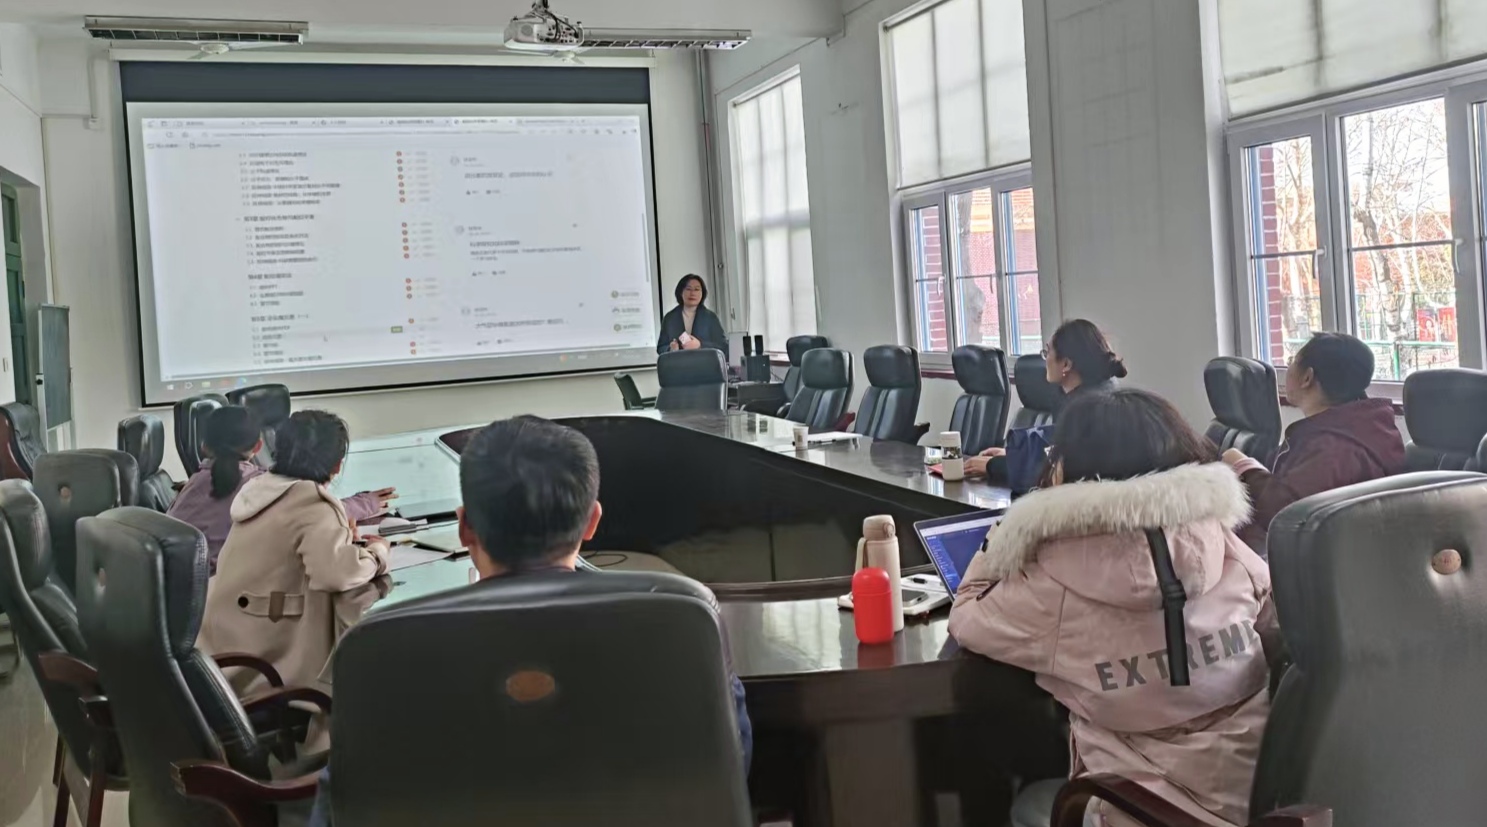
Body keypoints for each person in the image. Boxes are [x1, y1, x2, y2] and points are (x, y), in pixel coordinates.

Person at [306, 416, 753, 827]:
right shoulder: (683, 620)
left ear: (465, 527)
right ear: (592, 522)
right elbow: (732, 761)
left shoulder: (381, 645)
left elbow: (340, 809)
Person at [949, 390, 1275, 827]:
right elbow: (1271, 621)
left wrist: (1014, 530)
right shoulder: (1224, 544)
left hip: (1136, 811)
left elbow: (967, 613)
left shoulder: (1054, 585)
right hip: (1254, 799)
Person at [200, 410, 391, 699]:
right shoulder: (311, 502)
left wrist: (341, 540)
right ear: (337, 465)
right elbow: (336, 574)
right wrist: (377, 553)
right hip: (261, 670)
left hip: (221, 649)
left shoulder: (258, 488)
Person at [1225, 332, 1405, 554]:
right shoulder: (1359, 427)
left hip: (1327, 562)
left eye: (1292, 361)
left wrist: (1243, 466)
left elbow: (1285, 514)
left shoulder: (1334, 448)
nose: (1288, 368)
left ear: (1307, 378)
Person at [169, 407, 395, 574]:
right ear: (259, 446)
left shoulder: (191, 484)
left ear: (204, 446)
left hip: (183, 590)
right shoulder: (259, 486)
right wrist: (368, 506)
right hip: (215, 591)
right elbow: (315, 512)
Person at [965, 319, 1127, 476]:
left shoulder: (1085, 409)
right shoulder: (1093, 394)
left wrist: (993, 465)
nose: (1045, 359)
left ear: (1066, 364)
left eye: (1047, 352)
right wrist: (1011, 453)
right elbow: (1055, 449)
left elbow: (1054, 469)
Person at [656, 274, 729, 359]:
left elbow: (723, 346)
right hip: (678, 364)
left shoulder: (710, 317)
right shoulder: (670, 318)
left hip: (704, 364)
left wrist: (700, 345)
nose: (692, 293)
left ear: (702, 293)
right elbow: (660, 347)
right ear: (680, 292)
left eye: (697, 289)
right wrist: (671, 349)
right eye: (688, 289)